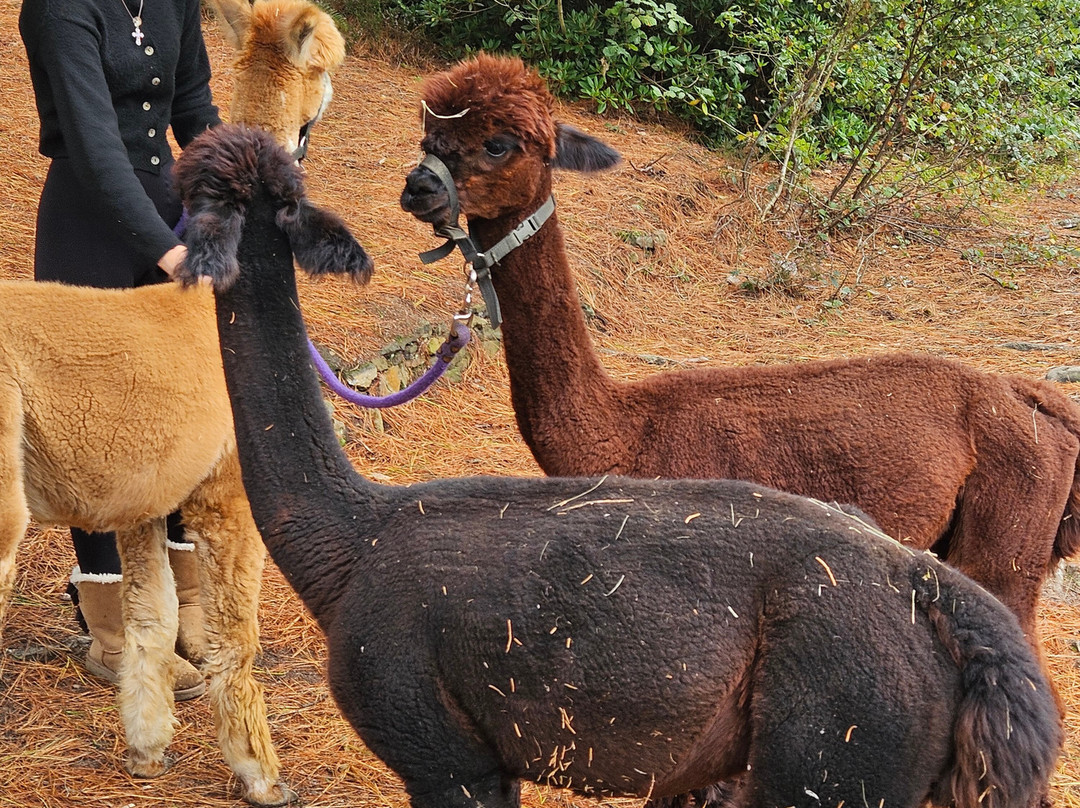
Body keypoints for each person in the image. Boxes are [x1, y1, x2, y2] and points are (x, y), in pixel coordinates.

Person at [19, 0, 222, 700]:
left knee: (172, 415)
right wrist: (168, 251)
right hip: (89, 224)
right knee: (93, 437)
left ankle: (184, 604)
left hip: (169, 212)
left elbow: (194, 106)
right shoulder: (59, 8)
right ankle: (113, 633)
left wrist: (225, 198)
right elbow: (96, 143)